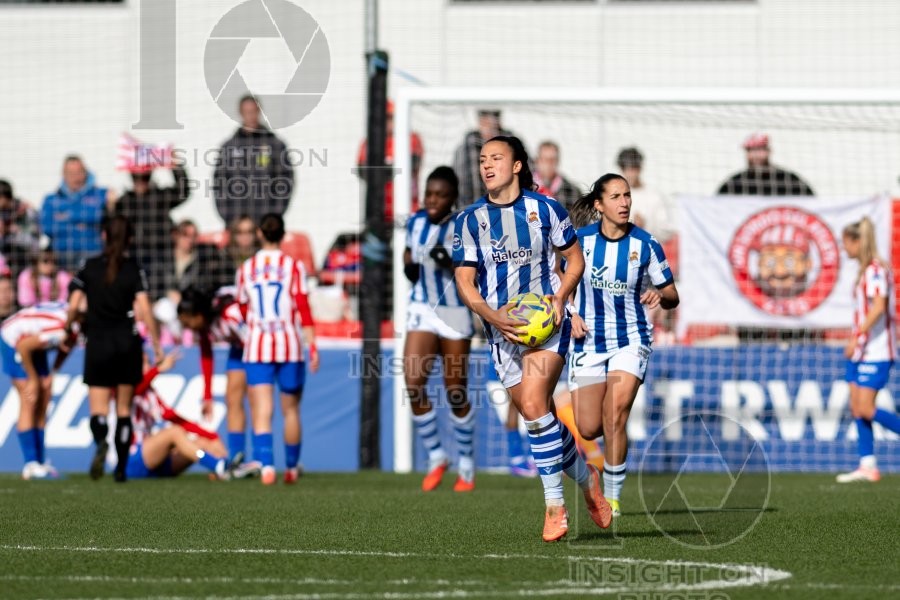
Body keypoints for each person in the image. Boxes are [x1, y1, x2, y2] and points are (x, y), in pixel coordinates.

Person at [452, 135, 611, 542]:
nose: (487, 165)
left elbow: (574, 259)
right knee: (539, 418)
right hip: (500, 332)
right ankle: (587, 478)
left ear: (517, 165)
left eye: (496, 158)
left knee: (536, 405)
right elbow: (465, 282)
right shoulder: (469, 220)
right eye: (483, 160)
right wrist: (492, 317)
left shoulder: (546, 209)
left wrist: (560, 298)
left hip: (547, 324)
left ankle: (555, 507)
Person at [567, 173, 680, 518]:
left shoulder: (645, 244)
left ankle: (613, 499)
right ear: (599, 205)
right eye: (615, 197)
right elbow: (559, 278)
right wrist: (571, 312)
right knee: (588, 427)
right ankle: (595, 475)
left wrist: (659, 294)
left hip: (631, 339)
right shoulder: (580, 241)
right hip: (588, 340)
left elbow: (672, 295)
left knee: (615, 414)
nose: (624, 202)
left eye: (627, 195)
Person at [66, 215, 163, 482]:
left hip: (97, 342)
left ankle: (101, 441)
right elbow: (145, 308)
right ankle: (121, 467)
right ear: (130, 238)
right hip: (126, 343)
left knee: (98, 409)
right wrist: (156, 345)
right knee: (123, 410)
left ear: (104, 236)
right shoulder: (133, 269)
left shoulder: (89, 266)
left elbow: (74, 304)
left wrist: (67, 328)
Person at [402, 166, 475, 492]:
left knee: (455, 391)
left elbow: (473, 270)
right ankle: (436, 455)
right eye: (429, 194)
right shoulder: (415, 222)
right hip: (422, 307)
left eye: (440, 195)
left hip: (454, 311)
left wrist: (450, 262)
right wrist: (408, 265)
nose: (432, 200)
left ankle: (466, 462)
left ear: (452, 199)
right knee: (413, 383)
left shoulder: (462, 227)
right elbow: (409, 253)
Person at [236, 213, 319, 485]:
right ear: (283, 235)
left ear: (259, 233)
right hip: (289, 346)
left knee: (262, 409)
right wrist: (312, 345)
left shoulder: (246, 268)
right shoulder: (293, 267)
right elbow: (302, 306)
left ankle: (267, 466)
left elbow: (242, 308)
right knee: (291, 410)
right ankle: (292, 467)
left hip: (257, 346)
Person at [836, 217, 900, 483]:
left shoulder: (875, 270)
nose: (844, 249)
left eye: (846, 243)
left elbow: (878, 307)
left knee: (865, 408)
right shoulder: (863, 271)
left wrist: (857, 335)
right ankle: (867, 464)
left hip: (877, 350)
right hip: (861, 351)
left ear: (857, 242)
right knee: (856, 407)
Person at [177, 287, 262, 479]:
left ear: (199, 315)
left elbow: (252, 340)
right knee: (232, 398)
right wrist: (207, 396)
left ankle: (263, 458)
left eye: (188, 322)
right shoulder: (205, 326)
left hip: (256, 347)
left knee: (257, 400)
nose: (188, 328)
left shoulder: (230, 315)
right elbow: (206, 355)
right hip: (238, 348)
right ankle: (236, 459)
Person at [0, 301, 79, 479]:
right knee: (30, 398)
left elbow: (67, 347)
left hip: (33, 344)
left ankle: (41, 461)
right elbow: (23, 346)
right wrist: (33, 379)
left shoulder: (77, 326)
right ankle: (31, 464)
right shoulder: (59, 329)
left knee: (44, 398)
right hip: (13, 340)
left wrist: (53, 373)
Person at [127, 351, 234, 480]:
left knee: (203, 443)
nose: (148, 366)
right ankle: (216, 465)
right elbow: (136, 389)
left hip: (154, 463)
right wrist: (158, 369)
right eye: (142, 362)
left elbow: (177, 420)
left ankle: (225, 466)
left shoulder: (150, 394)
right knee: (174, 432)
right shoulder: (125, 390)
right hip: (132, 461)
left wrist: (211, 436)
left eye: (148, 362)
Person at [115, 158, 191, 301]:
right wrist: (109, 206)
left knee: (163, 297)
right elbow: (111, 226)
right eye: (136, 178)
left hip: (161, 256)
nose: (141, 182)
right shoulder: (124, 202)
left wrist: (176, 167)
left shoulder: (160, 197)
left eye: (145, 178)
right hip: (135, 255)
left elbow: (183, 191)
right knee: (137, 295)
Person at [213, 95, 294, 225]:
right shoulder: (229, 147)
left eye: (253, 111)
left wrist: (274, 216)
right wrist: (228, 217)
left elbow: (285, 181)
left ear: (259, 111)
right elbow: (219, 183)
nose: (250, 116)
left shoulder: (275, 145)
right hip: (237, 224)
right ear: (240, 113)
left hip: (266, 222)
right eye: (247, 112)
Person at [40, 155, 116, 272]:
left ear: (85, 172)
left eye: (79, 172)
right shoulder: (51, 199)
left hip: (93, 256)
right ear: (63, 174)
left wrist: (65, 217)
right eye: (71, 173)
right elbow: (47, 228)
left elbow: (98, 217)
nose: (76, 177)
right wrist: (84, 223)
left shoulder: (101, 194)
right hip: (61, 260)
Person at [357, 100, 425, 221]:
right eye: (384, 118)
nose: (387, 122)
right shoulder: (369, 143)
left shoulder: (412, 139)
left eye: (390, 117)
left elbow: (412, 165)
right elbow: (362, 171)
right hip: (378, 211)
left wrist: (382, 169)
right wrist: (391, 168)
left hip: (407, 208)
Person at [717, 133, 815, 196]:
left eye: (760, 150)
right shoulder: (735, 183)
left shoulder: (789, 181)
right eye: (751, 150)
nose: (756, 155)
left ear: (769, 151)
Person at [453, 109, 515, 207]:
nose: (489, 126)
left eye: (492, 121)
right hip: (473, 207)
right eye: (485, 120)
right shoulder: (465, 148)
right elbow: (457, 180)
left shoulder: (513, 145)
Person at [616, 147, 676, 244]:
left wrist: (645, 226)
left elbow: (667, 232)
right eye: (627, 169)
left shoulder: (654, 196)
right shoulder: (613, 195)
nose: (630, 173)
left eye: (633, 168)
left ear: (639, 168)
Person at [0, 179, 40, 274]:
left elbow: (34, 243)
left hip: (23, 264)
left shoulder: (27, 212)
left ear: (4, 197)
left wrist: (11, 231)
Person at [533, 141, 581, 210]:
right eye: (544, 159)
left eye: (552, 160)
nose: (548, 164)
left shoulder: (573, 192)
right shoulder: (523, 187)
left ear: (558, 161)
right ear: (537, 161)